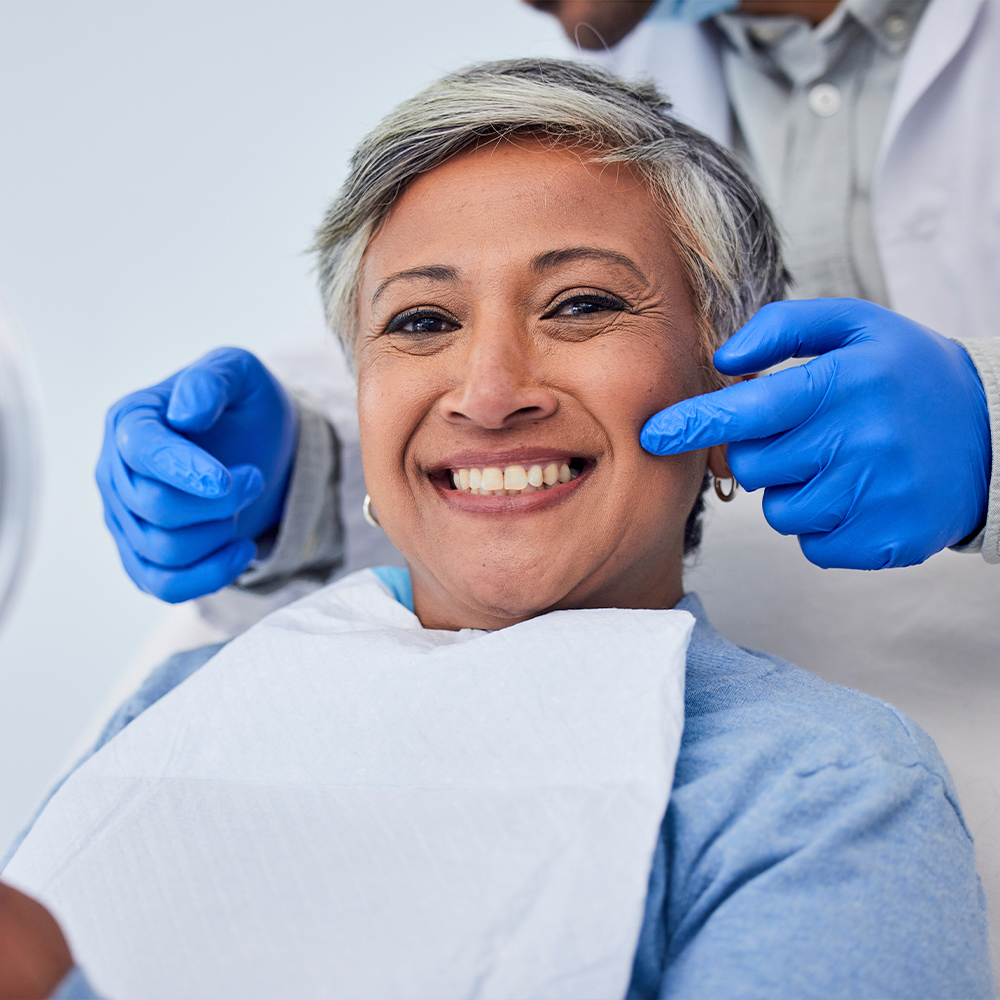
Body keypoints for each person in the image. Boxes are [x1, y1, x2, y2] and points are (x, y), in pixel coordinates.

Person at [6, 60, 992, 998]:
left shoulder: (822, 794)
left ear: (726, 393)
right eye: (422, 322)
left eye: (583, 304)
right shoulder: (178, 708)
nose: (487, 395)